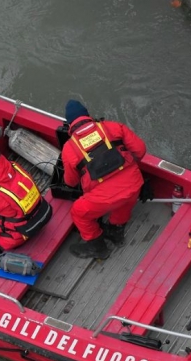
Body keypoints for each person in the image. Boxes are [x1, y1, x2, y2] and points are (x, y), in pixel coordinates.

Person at [60, 99, 147, 259]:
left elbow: (70, 182)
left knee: (78, 212)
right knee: (124, 202)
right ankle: (116, 231)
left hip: (105, 197)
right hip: (134, 184)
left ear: (70, 124)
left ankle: (97, 247)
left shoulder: (69, 148)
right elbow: (140, 150)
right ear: (88, 115)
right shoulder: (113, 126)